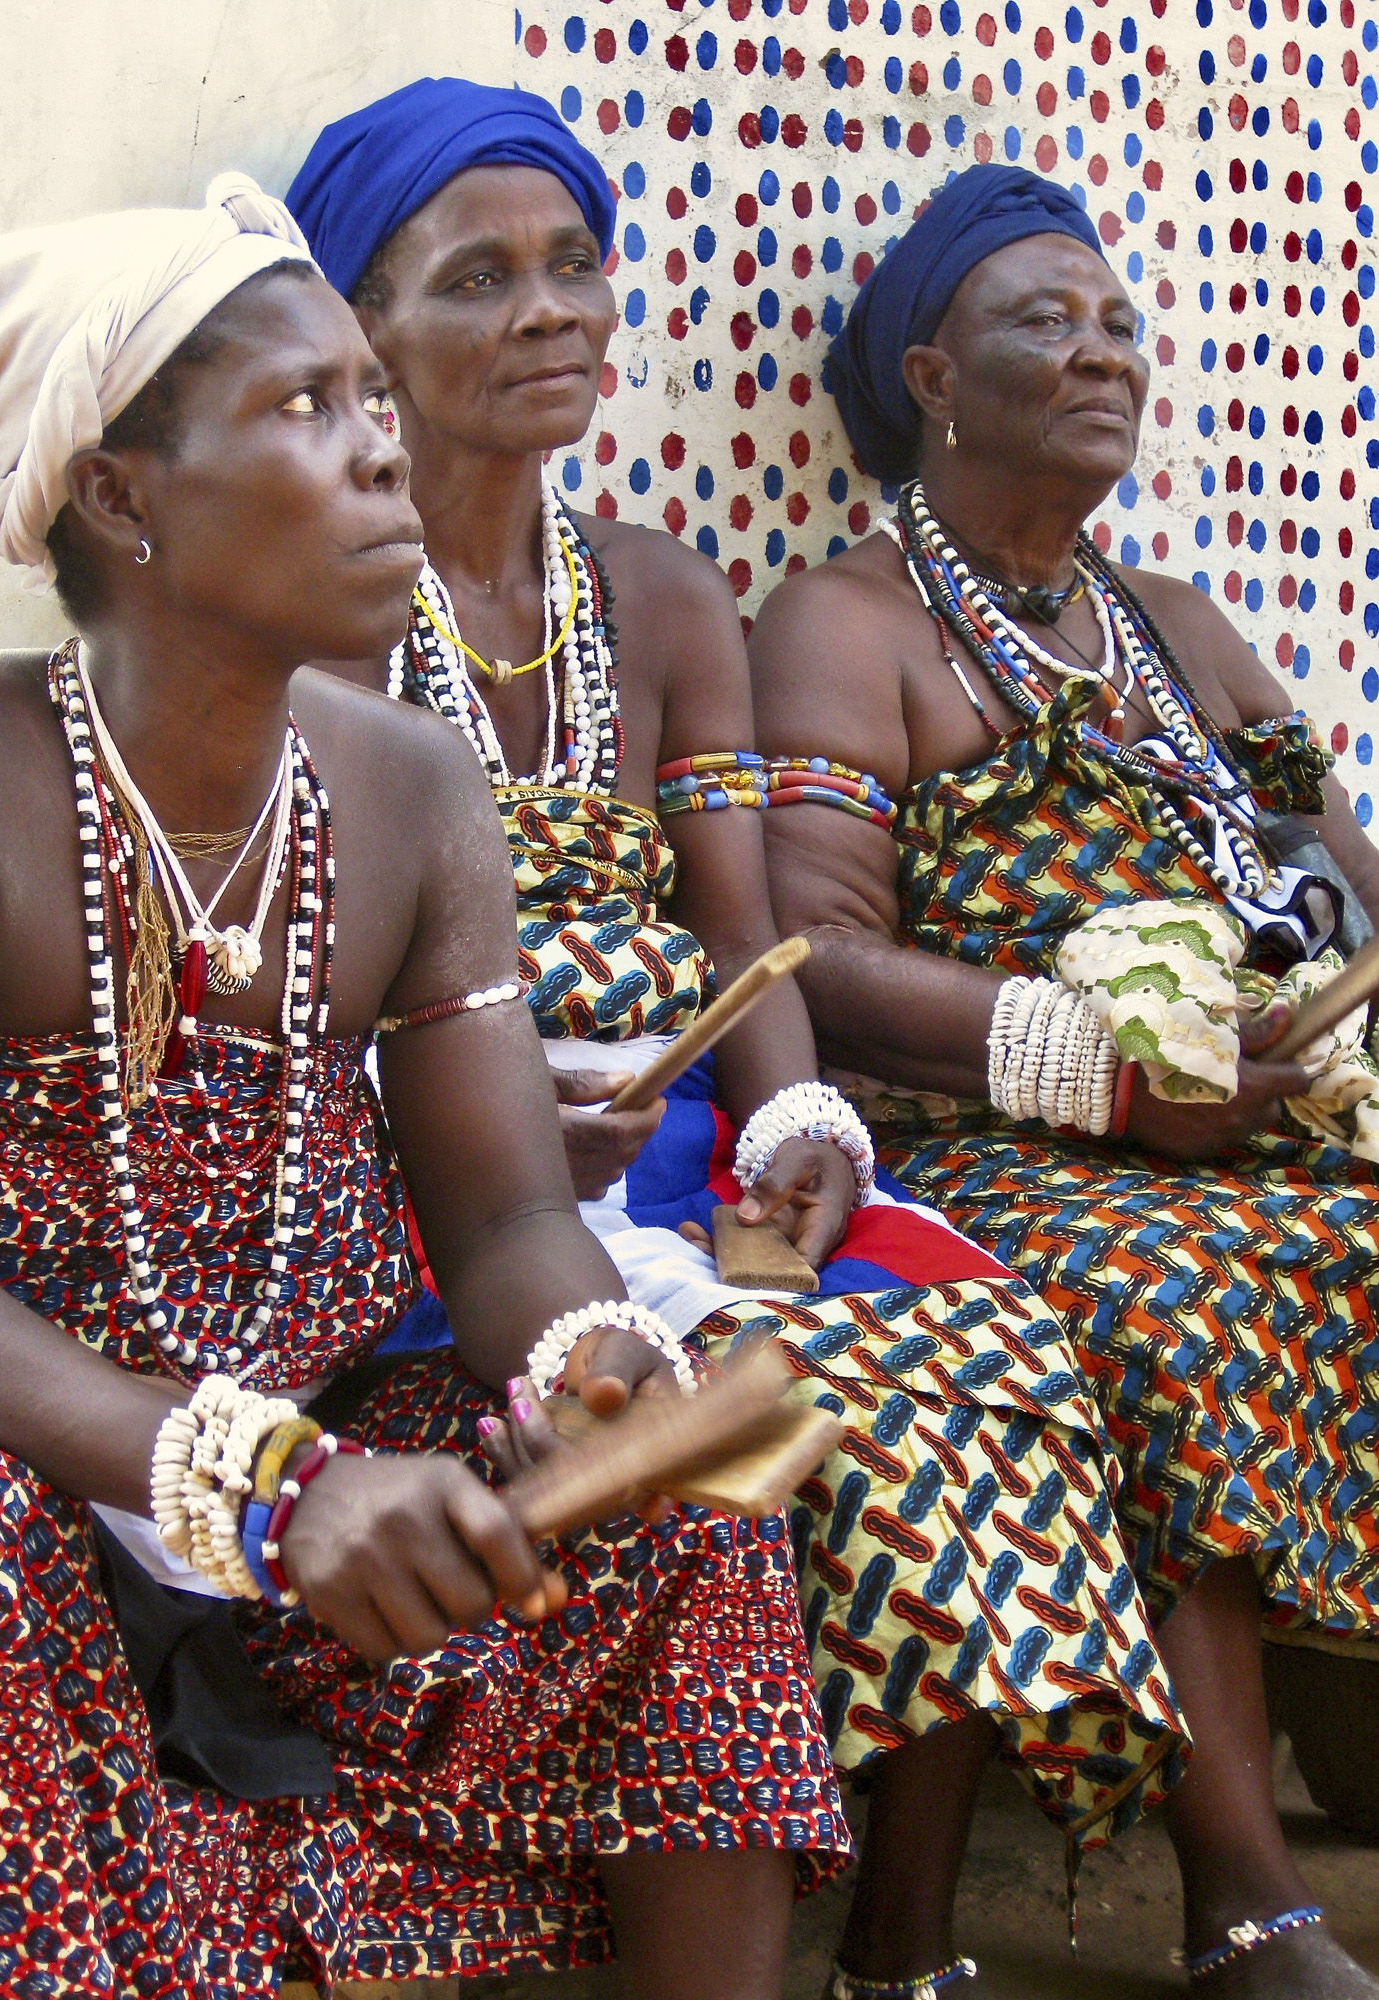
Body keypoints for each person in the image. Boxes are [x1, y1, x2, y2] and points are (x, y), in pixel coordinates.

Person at [0, 177, 853, 2000]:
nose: (377, 454)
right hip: (45, 1489)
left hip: (331, 1494)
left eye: (367, 399)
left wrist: (589, 1369)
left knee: (694, 1523)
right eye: (304, 409)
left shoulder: (409, 790)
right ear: (117, 494)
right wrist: (255, 1481)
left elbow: (502, 1219)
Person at [288, 86, 1189, 2000]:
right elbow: (311, 972)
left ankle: (906, 1932)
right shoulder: (318, 617)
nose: (556, 313)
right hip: (443, 1169)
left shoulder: (662, 591)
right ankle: (682, 1889)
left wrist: (796, 1116)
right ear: (361, 335)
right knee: (776, 1422)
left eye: (578, 268)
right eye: (482, 279)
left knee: (988, 1349)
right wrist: (505, 1112)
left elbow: (747, 929)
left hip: (689, 1154)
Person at [748, 160, 1379, 1999]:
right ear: (933, 378)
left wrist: (1312, 1016)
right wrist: (1099, 1069)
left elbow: (1331, 885)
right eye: (1048, 322)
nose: (1103, 354)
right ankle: (1246, 1898)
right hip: (992, 1141)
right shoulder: (849, 624)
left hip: (1243, 1131)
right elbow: (825, 963)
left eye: (1119, 323)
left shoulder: (1179, 631)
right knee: (1166, 1299)